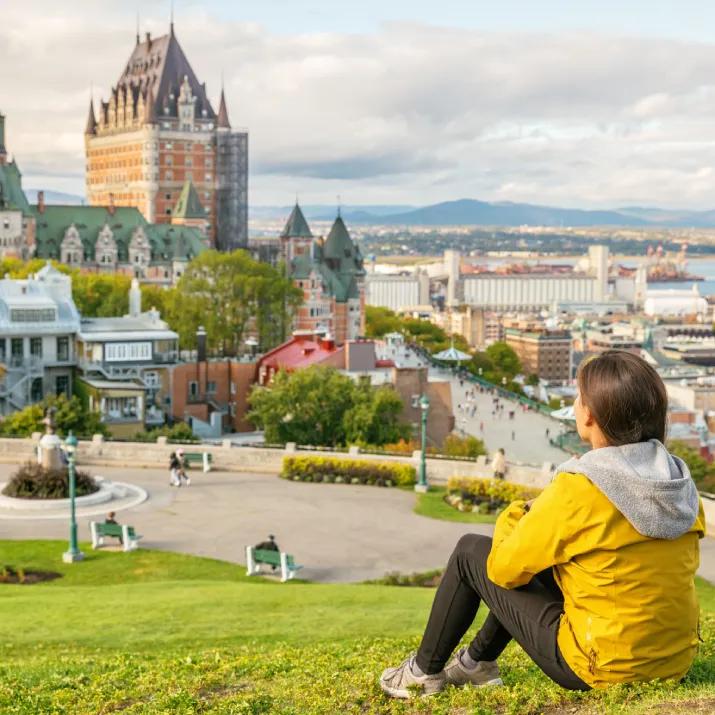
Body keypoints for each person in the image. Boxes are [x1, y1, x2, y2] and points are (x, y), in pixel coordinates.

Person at [380, 350, 705, 699]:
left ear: (590, 415)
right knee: (552, 562)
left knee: (469, 551)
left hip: (601, 666)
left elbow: (503, 569)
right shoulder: (678, 485)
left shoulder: (581, 489)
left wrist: (519, 512)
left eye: (579, 397)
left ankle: (421, 673)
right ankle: (476, 664)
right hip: (673, 662)